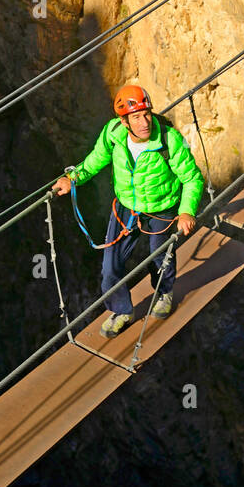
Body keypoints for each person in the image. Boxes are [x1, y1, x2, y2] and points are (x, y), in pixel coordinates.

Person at [54, 83, 204, 338]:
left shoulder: (169, 139)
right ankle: (122, 310)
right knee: (110, 264)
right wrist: (73, 178)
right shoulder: (113, 134)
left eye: (147, 114)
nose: (145, 122)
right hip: (127, 206)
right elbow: (95, 159)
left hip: (162, 206)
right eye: (136, 117)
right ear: (124, 122)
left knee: (160, 256)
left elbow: (192, 178)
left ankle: (163, 292)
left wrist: (187, 211)